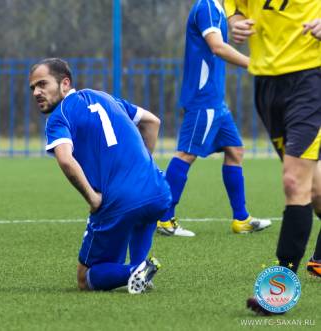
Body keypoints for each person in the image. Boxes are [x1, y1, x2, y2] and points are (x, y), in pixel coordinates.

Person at [29, 58, 172, 294]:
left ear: (65, 84)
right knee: (142, 217)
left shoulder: (59, 116)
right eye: (33, 87)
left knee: (85, 278)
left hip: (119, 201)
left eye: (43, 84)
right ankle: (140, 271)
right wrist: (143, 165)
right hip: (157, 188)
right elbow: (152, 122)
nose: (37, 92)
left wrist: (92, 199)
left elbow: (65, 158)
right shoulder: (106, 97)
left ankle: (132, 272)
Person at [223, 0, 321, 315]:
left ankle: (279, 288)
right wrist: (236, 22)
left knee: (294, 182)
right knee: (314, 190)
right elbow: (236, 9)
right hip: (267, 83)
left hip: (310, 78)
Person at [156, 0, 271, 237]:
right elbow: (217, 47)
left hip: (215, 101)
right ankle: (164, 219)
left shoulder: (220, 8)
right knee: (186, 154)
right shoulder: (207, 6)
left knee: (235, 150)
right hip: (203, 100)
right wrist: (255, 64)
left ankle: (241, 219)